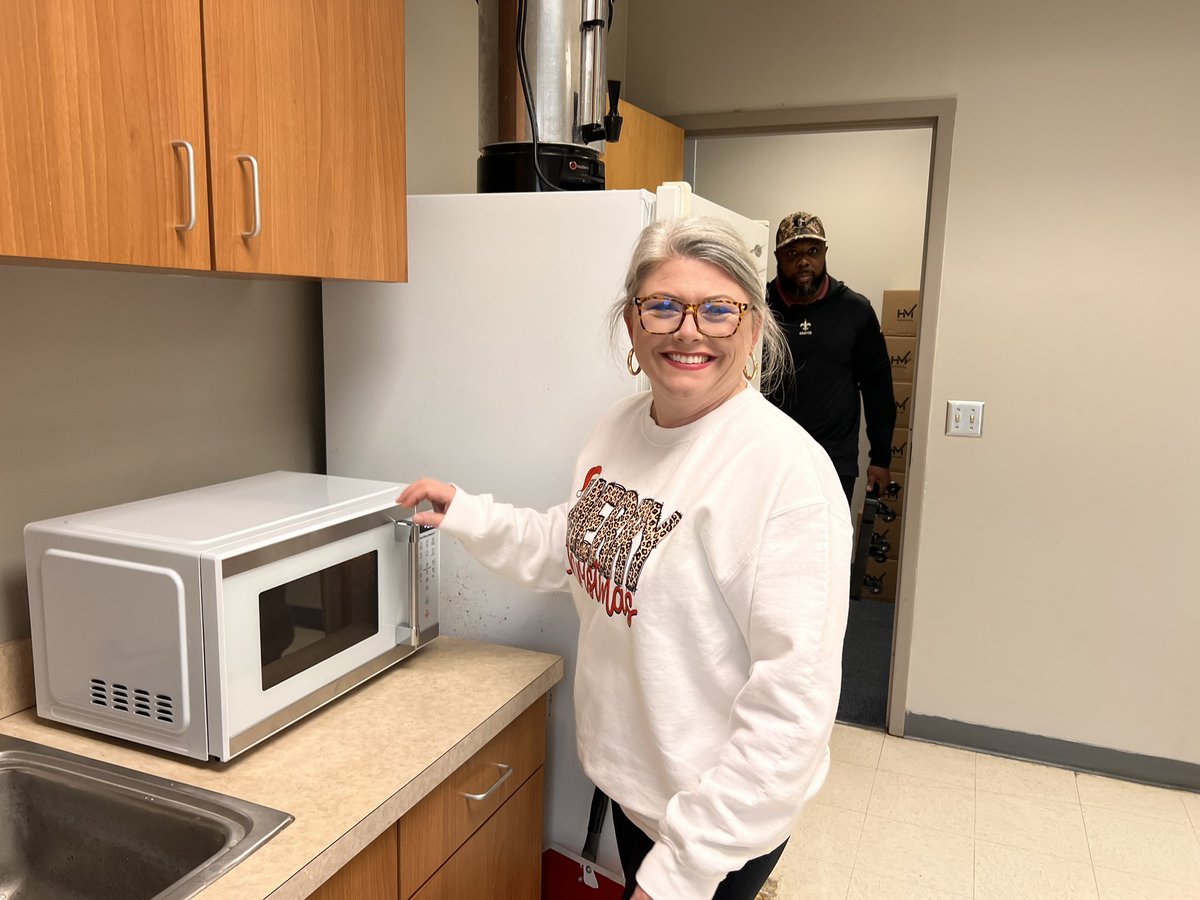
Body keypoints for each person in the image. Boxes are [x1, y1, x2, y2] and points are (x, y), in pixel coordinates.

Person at [398, 217, 851, 900]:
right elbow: (574, 545)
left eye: (718, 310)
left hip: (715, 823)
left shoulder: (785, 476)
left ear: (753, 330)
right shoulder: (616, 427)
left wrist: (681, 872)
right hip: (639, 791)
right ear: (633, 327)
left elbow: (792, 710)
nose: (687, 330)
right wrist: (467, 512)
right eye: (663, 306)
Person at [765, 211, 896, 504]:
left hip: (834, 460)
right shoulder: (757, 307)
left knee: (828, 547)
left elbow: (878, 388)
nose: (803, 261)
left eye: (813, 251)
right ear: (777, 256)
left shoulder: (855, 310)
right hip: (768, 457)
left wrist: (881, 458)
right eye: (792, 252)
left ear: (825, 253)